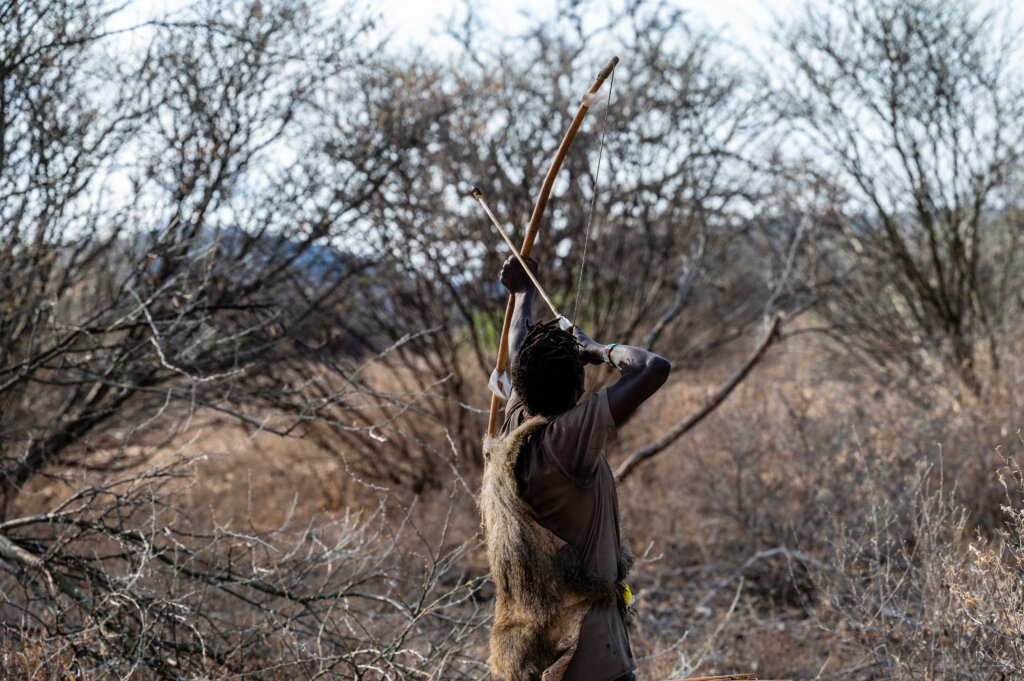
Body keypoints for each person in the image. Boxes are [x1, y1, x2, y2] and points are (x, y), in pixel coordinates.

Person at [481, 256, 671, 681]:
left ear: (522, 386)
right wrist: (595, 349)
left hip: (536, 655)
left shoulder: (518, 422)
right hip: (592, 662)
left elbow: (518, 347)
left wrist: (523, 293)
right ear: (577, 389)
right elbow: (653, 367)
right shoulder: (564, 443)